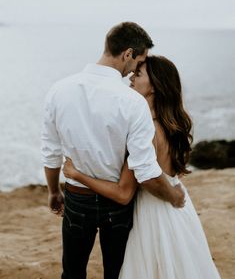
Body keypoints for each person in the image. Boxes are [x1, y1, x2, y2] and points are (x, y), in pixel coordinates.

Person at [41, 22, 185, 279]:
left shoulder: (58, 90)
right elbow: (145, 169)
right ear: (128, 54)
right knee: (117, 273)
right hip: (117, 204)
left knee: (72, 272)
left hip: (76, 197)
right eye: (139, 60)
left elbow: (51, 152)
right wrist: (173, 195)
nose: (135, 71)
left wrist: (53, 191)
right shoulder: (132, 102)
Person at [63, 55, 221, 279]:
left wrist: (76, 174)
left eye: (138, 74)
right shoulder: (171, 125)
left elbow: (123, 193)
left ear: (154, 86)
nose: (130, 78)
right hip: (179, 213)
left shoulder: (146, 131)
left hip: (152, 214)